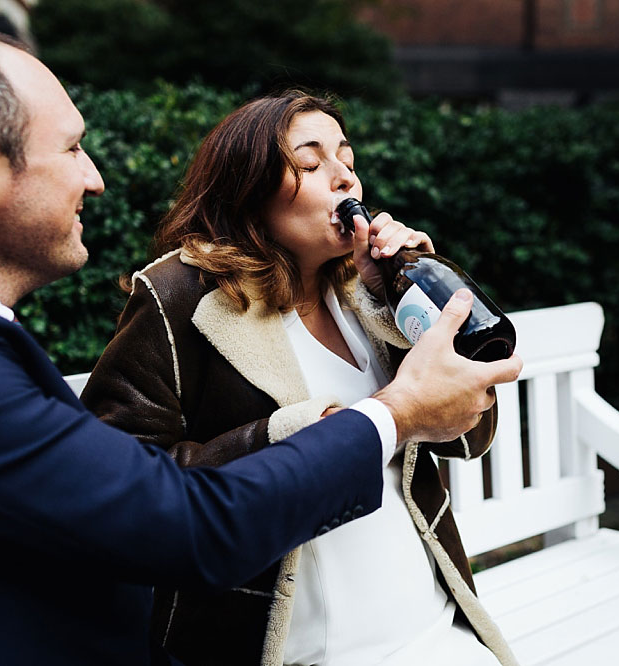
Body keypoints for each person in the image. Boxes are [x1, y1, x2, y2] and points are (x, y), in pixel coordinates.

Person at [0, 26, 521, 666]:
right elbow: (178, 521)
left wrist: (410, 311)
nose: (96, 180)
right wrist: (390, 414)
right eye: (74, 149)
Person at [81, 92, 520, 666]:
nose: (344, 179)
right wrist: (300, 433)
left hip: (433, 626)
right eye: (310, 165)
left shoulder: (369, 293)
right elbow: (117, 482)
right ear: (248, 188)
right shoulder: (180, 296)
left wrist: (411, 306)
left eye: (348, 161)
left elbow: (469, 436)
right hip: (295, 649)